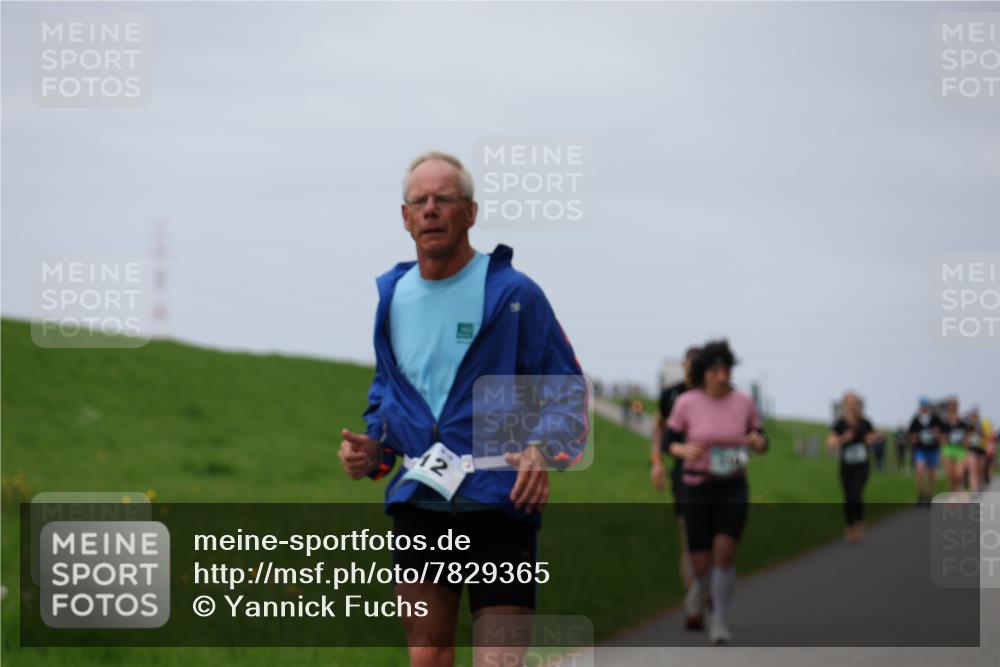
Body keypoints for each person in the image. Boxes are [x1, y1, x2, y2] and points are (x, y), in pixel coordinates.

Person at [337, 151, 587, 667]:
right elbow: (390, 393)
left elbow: (566, 387)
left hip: (499, 499)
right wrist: (374, 449)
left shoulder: (514, 295)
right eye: (419, 201)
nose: (431, 209)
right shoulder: (393, 298)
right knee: (428, 655)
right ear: (404, 217)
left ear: (470, 213)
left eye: (444, 199)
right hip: (420, 503)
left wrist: (542, 449)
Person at [665, 340, 768, 644]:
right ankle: (701, 591)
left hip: (732, 484)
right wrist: (682, 448)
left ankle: (720, 619)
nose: (722, 376)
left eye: (726, 370)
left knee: (724, 552)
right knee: (699, 562)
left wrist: (758, 442)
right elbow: (667, 440)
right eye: (715, 371)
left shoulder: (744, 401)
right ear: (704, 373)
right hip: (696, 485)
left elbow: (760, 436)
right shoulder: (687, 402)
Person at [649, 346, 700, 627]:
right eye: (689, 365)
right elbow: (659, 430)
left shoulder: (714, 393)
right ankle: (694, 597)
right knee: (688, 537)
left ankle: (708, 588)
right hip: (683, 472)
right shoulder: (671, 394)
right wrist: (656, 462)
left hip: (717, 475)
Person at [826, 392, 878, 544]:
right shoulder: (840, 423)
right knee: (848, 496)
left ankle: (859, 522)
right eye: (849, 403)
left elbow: (872, 439)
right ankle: (849, 527)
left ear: (859, 405)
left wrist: (872, 439)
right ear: (844, 405)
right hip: (846, 465)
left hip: (862, 464)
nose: (852, 405)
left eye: (854, 403)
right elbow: (830, 443)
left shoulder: (865, 423)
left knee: (856, 493)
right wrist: (843, 438)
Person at [908, 396, 944, 506]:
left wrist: (936, 434)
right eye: (922, 405)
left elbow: (942, 434)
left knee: (932, 474)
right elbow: (911, 435)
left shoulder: (936, 418)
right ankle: (921, 493)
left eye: (925, 405)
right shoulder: (916, 419)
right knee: (920, 471)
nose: (923, 407)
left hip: (933, 449)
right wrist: (914, 438)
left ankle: (930, 494)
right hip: (921, 449)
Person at [940, 398, 969, 492]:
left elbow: (966, 439)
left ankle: (958, 489)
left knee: (959, 474)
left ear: (957, 407)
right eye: (950, 406)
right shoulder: (944, 422)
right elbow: (942, 439)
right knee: (950, 475)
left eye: (954, 406)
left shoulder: (962, 423)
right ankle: (953, 493)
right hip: (948, 449)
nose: (952, 408)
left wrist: (966, 446)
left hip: (960, 450)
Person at [964, 405, 987, 492]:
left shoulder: (981, 423)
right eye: (973, 414)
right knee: (972, 468)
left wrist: (979, 432)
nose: (974, 415)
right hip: (971, 449)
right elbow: (965, 435)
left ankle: (979, 484)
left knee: (979, 468)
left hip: (980, 449)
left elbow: (984, 435)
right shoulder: (967, 423)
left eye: (975, 414)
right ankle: (974, 488)